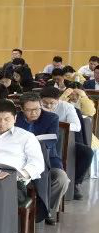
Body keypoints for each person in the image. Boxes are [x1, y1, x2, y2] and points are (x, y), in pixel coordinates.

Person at [0, 99, 49, 220]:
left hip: (13, 182)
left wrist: (20, 175)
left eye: (7, 119)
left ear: (15, 119)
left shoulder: (27, 137)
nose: (2, 123)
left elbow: (37, 164)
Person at [16, 93, 71, 223]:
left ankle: (47, 209)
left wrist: (33, 145)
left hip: (48, 158)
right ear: (22, 109)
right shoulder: (15, 118)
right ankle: (22, 211)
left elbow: (52, 140)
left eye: (37, 109)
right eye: (29, 110)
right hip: (21, 161)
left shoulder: (51, 118)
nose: (34, 113)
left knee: (62, 179)